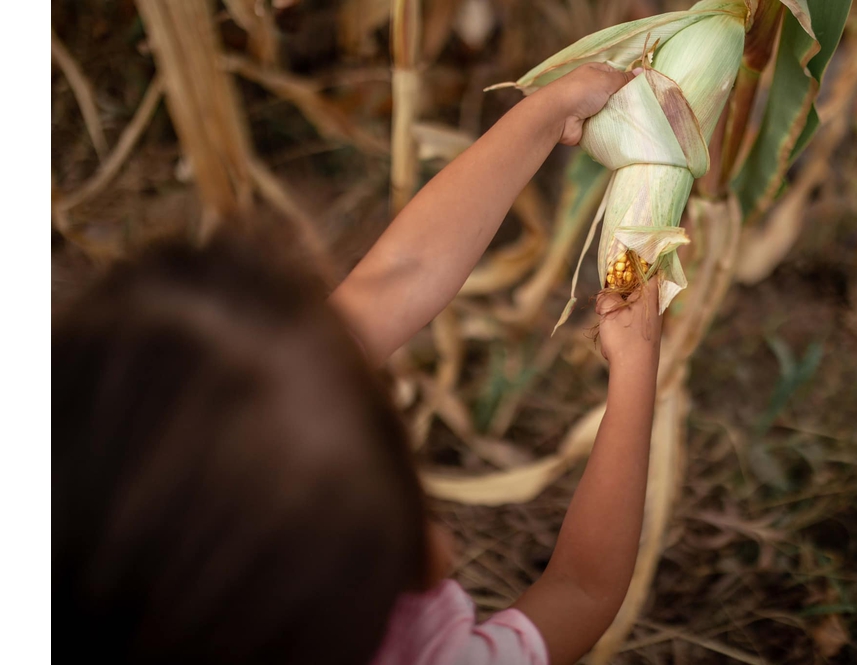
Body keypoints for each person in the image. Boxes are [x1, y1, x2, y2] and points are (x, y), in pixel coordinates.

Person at [53, 63, 661, 665]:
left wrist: (547, 113)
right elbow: (581, 590)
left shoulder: (218, 424)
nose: (443, 550)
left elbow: (403, 275)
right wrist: (635, 370)